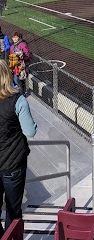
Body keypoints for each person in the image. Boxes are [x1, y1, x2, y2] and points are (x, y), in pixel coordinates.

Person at [0, 59, 37, 235]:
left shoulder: (17, 100)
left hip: (10, 162)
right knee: (14, 211)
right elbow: (30, 131)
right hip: (13, 165)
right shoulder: (18, 100)